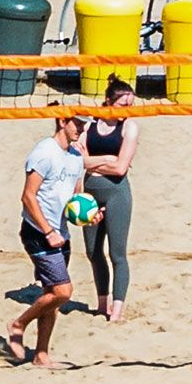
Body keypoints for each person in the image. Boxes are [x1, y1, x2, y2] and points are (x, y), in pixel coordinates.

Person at [4, 116, 93, 368]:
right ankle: (18, 323)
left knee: (51, 294)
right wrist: (48, 231)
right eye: (78, 123)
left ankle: (41, 355)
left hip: (60, 232)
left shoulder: (75, 156)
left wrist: (90, 214)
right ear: (63, 121)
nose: (82, 129)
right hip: (38, 232)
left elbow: (76, 199)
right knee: (63, 291)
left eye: (86, 124)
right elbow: (28, 197)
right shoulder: (44, 152)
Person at [81, 79, 140, 321]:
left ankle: (116, 312)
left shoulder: (130, 127)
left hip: (117, 193)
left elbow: (120, 169)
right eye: (123, 104)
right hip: (89, 194)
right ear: (108, 102)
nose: (127, 109)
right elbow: (79, 161)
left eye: (131, 105)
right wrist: (106, 158)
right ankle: (102, 304)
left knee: (118, 253)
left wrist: (94, 163)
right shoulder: (89, 125)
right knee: (93, 252)